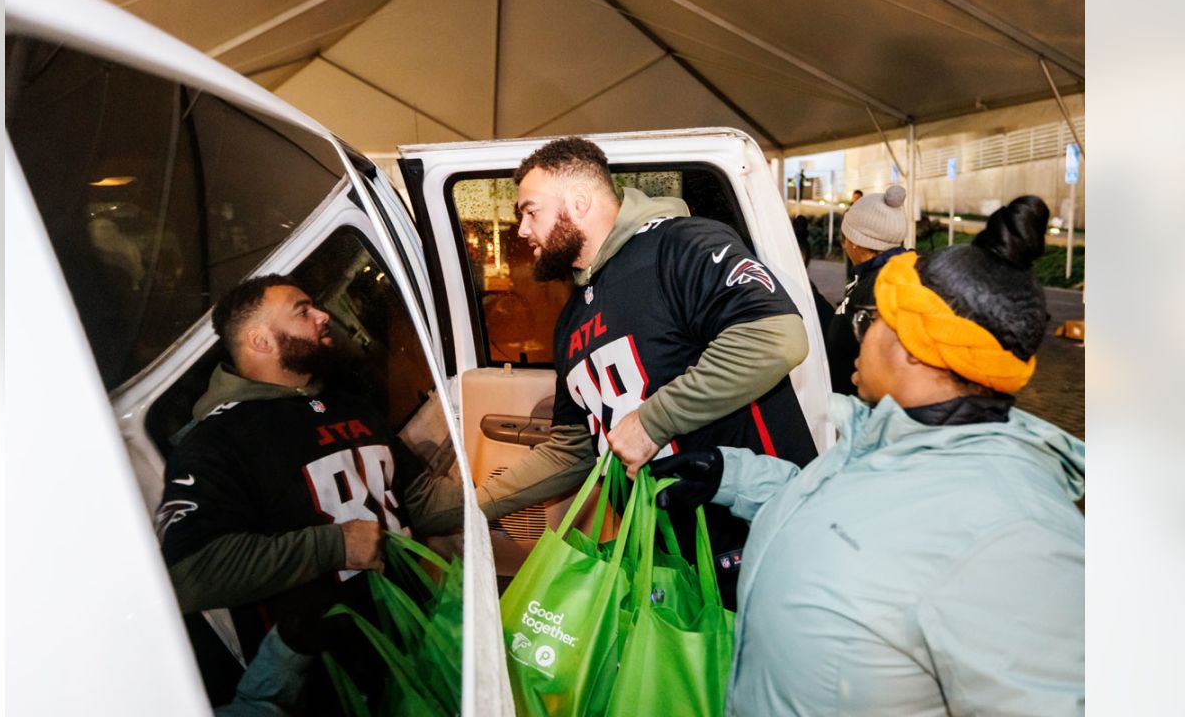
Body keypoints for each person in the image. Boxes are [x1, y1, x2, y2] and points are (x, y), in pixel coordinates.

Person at [653, 195, 1084, 715]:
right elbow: (866, 522)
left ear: (912, 348)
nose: (857, 339)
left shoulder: (1016, 535)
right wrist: (737, 478)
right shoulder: (887, 438)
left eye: (870, 324)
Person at [421, 137, 818, 606]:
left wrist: (654, 420)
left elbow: (775, 337)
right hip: (667, 560)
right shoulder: (572, 318)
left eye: (530, 211)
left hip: (757, 539)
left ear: (579, 201)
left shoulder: (682, 244)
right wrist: (468, 506)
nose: (522, 230)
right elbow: (573, 450)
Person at [156, 274, 442, 709]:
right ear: (261, 342)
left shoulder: (351, 406)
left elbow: (416, 499)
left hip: (415, 641)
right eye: (302, 311)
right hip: (325, 683)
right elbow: (189, 574)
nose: (323, 315)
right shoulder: (215, 441)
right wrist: (334, 545)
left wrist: (491, 501)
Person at [824, 185, 911, 394]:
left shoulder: (882, 286)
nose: (844, 245)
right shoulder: (880, 275)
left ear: (856, 243)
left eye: (845, 238)